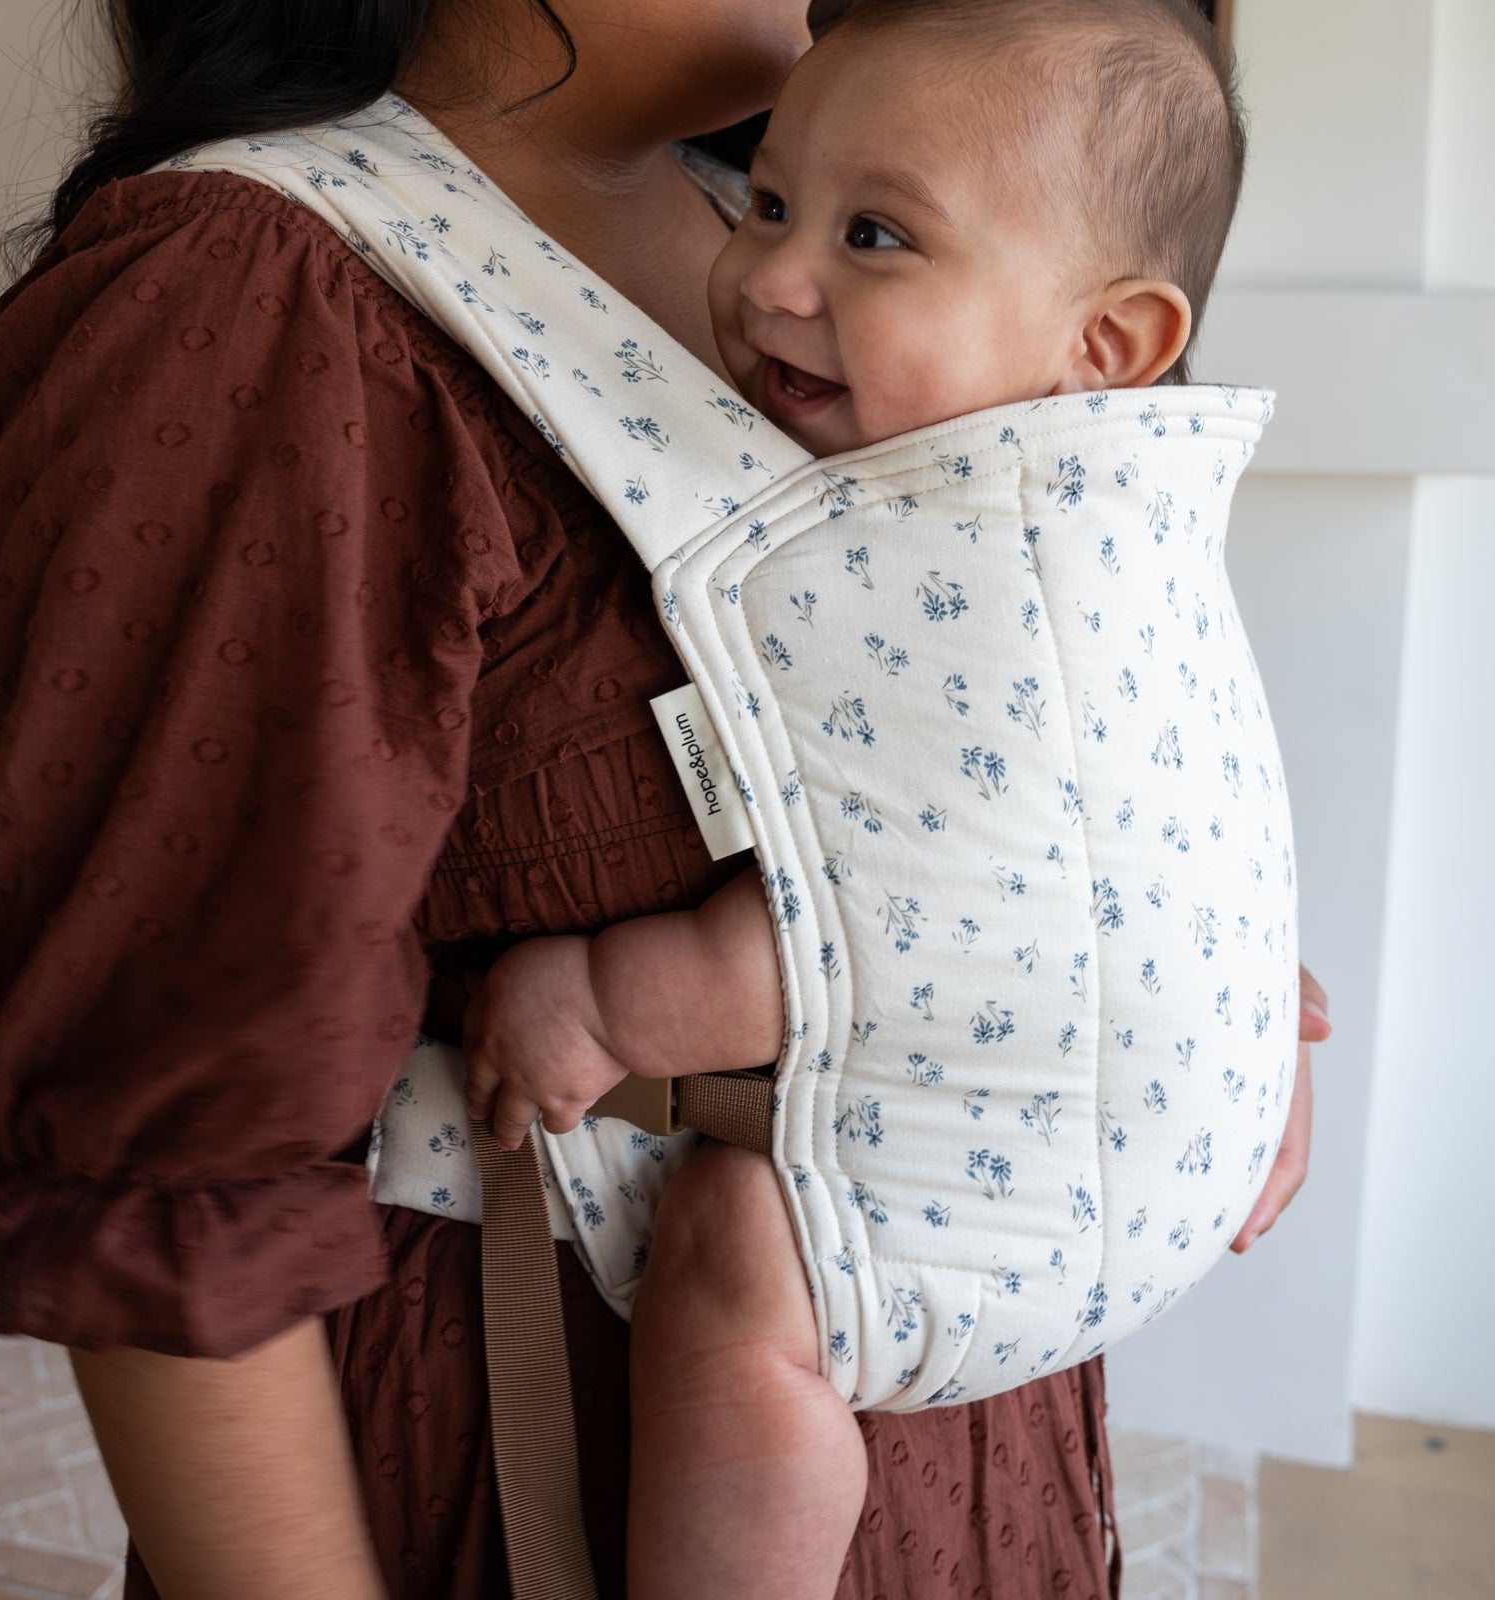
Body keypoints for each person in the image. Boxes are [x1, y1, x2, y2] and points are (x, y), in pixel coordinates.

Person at [0, 2, 1327, 1598]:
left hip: (952, 1430)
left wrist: (1192, 987)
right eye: (807, 219)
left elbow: (1022, 712)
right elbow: (163, 1157)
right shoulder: (261, 292)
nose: (796, 263)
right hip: (542, 1463)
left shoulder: (771, 206)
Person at [456, 2, 1328, 1596]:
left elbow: (880, 913)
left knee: (737, 1270)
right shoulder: (1090, 498)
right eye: (773, 202)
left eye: (875, 236)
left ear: (1107, 345)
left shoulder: (977, 570)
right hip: (1174, 1115)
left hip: (1078, 1139)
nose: (772, 275)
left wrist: (601, 999)